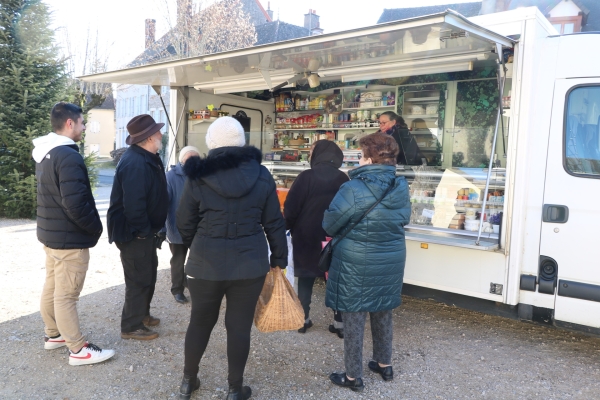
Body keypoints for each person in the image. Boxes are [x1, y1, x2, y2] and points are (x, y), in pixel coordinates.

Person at [176, 117, 287, 400]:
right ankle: (235, 389)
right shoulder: (261, 174)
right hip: (249, 264)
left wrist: (194, 248)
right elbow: (274, 222)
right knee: (239, 326)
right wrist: (279, 259)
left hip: (205, 262)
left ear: (211, 144)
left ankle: (188, 383)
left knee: (199, 321)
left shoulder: (197, 175)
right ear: (241, 141)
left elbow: (184, 222)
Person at [323, 133, 411, 392]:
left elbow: (329, 224)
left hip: (356, 261)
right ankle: (384, 364)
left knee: (354, 316)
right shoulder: (400, 186)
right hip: (391, 257)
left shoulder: (353, 188)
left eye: (361, 155)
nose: (359, 160)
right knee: (383, 309)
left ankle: (353, 377)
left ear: (370, 158)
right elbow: (402, 219)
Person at [33, 102, 115, 366]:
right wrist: (96, 228)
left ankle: (53, 334)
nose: (84, 127)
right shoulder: (68, 155)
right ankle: (78, 350)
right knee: (66, 295)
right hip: (69, 240)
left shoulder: (45, 153)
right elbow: (75, 204)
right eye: (82, 122)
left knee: (53, 286)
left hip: (52, 236)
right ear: (70, 123)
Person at [107, 114, 168, 341]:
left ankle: (142, 314)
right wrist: (143, 232)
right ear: (150, 137)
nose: (161, 134)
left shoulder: (147, 156)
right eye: (158, 131)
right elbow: (133, 206)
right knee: (139, 279)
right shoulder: (135, 162)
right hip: (133, 233)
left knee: (148, 273)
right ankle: (131, 325)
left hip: (144, 232)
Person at [283, 140, 348, 336]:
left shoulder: (306, 177)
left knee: (305, 278)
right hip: (333, 236)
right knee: (335, 279)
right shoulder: (343, 178)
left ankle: (303, 319)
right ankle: (339, 323)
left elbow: (291, 207)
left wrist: (286, 228)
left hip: (306, 235)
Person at [164, 145, 200, 304]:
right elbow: (164, 202)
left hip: (198, 227)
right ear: (182, 161)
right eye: (190, 159)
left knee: (199, 258)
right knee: (178, 259)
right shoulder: (170, 177)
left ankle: (191, 283)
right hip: (176, 226)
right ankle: (177, 289)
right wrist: (162, 228)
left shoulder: (201, 175)